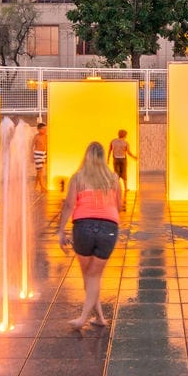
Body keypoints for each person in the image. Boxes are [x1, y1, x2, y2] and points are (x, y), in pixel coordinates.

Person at [57, 141, 123, 331]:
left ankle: (83, 318)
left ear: (86, 156)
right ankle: (99, 317)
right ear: (104, 158)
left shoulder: (78, 177)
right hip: (109, 228)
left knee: (89, 276)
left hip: (83, 227)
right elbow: (119, 206)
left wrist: (61, 231)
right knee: (93, 276)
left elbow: (69, 205)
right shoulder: (113, 178)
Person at [32, 120, 49, 192]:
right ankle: (42, 187)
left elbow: (46, 145)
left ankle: (35, 186)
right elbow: (31, 146)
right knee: (40, 171)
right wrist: (30, 155)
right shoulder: (36, 137)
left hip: (43, 154)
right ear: (38, 130)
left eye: (46, 129)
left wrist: (47, 155)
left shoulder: (46, 136)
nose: (45, 130)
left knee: (39, 172)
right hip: (37, 154)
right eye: (43, 129)